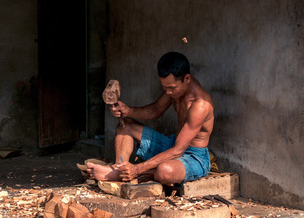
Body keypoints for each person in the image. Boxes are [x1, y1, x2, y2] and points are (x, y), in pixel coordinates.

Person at [87, 52, 214, 186]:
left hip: (193, 157)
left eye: (171, 88)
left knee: (165, 171)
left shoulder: (201, 105)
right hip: (173, 145)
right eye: (164, 87)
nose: (168, 92)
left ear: (187, 78)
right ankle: (120, 170)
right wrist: (128, 110)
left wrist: (138, 168)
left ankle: (144, 172)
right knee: (126, 126)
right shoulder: (175, 89)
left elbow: (178, 151)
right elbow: (156, 109)